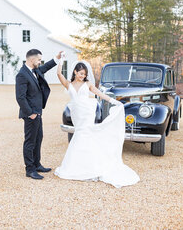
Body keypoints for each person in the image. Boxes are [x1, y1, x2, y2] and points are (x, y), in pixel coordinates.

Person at [54, 59, 140, 188]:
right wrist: (60, 61)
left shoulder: (87, 83)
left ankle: (89, 166)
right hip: (77, 113)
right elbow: (59, 74)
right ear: (75, 72)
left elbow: (99, 93)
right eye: (80, 73)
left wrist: (113, 101)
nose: (82, 76)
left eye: (84, 74)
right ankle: (79, 165)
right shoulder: (68, 84)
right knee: (79, 134)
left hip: (87, 113)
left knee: (84, 134)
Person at [15, 49, 63, 180]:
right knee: (30, 141)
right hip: (31, 114)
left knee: (38, 138)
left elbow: (46, 67)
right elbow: (20, 97)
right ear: (32, 60)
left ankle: (37, 164)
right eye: (39, 60)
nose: (40, 62)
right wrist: (30, 113)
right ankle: (30, 169)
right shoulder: (22, 75)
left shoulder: (35, 70)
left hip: (38, 112)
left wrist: (57, 58)